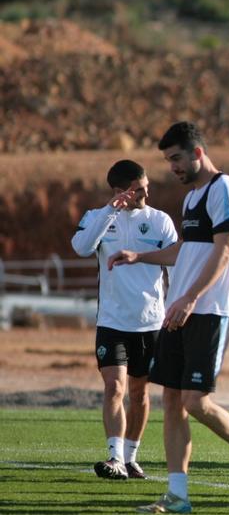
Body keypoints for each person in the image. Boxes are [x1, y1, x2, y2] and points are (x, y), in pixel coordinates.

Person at [108, 121, 229, 514]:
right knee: (174, 401)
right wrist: (140, 256)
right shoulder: (192, 198)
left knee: (198, 401)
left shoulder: (223, 189)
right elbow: (186, 249)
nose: (172, 167)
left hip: (209, 310)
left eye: (177, 158)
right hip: (180, 309)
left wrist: (192, 298)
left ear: (198, 152)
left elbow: (225, 249)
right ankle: (177, 495)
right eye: (168, 161)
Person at [72, 160, 177, 480]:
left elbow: (175, 268)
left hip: (150, 322)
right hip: (112, 322)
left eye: (146, 185)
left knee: (140, 394)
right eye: (139, 188)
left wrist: (175, 309)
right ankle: (115, 457)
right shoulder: (97, 218)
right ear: (121, 192)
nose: (147, 191)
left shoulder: (160, 221)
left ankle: (131, 457)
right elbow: (80, 247)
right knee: (114, 387)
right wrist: (108, 212)